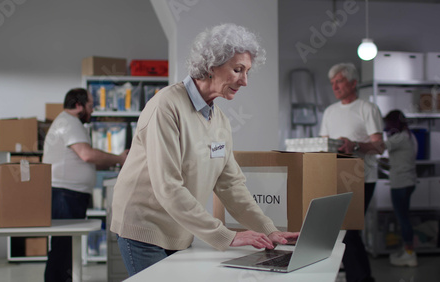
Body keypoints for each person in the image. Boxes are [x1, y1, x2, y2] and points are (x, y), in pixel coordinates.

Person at [110, 23, 299, 277]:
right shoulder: (166, 106)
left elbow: (231, 185)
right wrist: (227, 237)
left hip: (180, 231)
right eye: (237, 70)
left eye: (247, 72)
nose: (244, 81)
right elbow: (168, 187)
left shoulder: (219, 120)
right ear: (211, 65)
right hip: (144, 230)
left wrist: (268, 229)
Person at [42, 88, 128, 282]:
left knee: (64, 247)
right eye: (90, 105)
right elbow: (87, 155)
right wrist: (119, 158)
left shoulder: (68, 123)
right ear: (78, 105)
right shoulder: (69, 122)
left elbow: (87, 159)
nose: (92, 110)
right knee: (63, 247)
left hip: (69, 194)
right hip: (65, 194)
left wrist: (116, 160)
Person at [319, 63, 384, 282]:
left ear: (353, 82)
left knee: (349, 229)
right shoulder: (329, 111)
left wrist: (354, 146)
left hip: (362, 179)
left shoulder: (367, 108)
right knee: (340, 230)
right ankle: (358, 276)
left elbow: (379, 146)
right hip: (336, 178)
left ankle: (362, 278)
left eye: (339, 81)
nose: (335, 86)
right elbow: (324, 144)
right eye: (332, 83)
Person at [383, 110, 418, 267]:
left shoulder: (398, 138)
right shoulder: (409, 136)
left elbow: (379, 146)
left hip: (400, 183)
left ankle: (409, 255)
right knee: (404, 217)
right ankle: (407, 251)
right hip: (408, 181)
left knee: (403, 219)